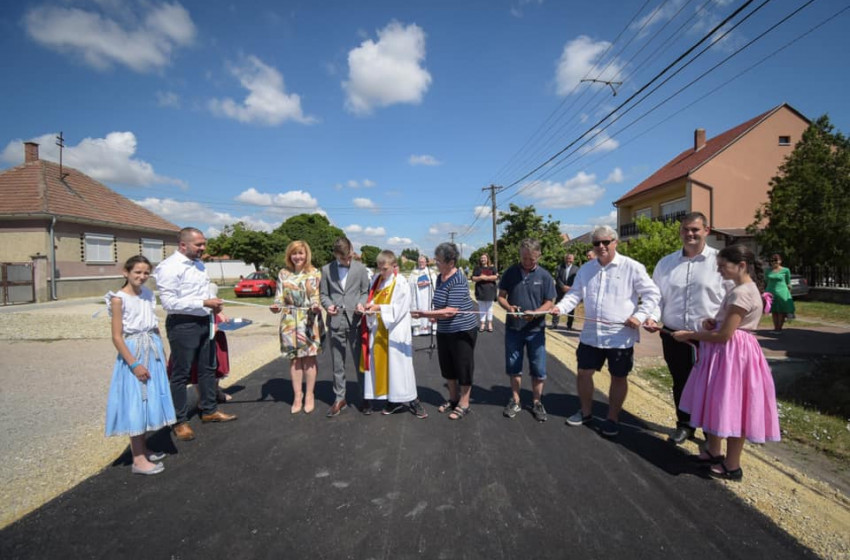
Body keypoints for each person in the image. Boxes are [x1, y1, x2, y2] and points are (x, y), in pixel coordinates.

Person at [672, 244, 780, 481]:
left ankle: (732, 466)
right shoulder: (742, 289)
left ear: (741, 265)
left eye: (722, 266)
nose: (719, 271)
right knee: (719, 402)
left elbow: (725, 336)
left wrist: (689, 334)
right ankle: (713, 450)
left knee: (732, 406)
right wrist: (714, 322)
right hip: (728, 354)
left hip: (732, 355)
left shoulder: (742, 292)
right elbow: (726, 326)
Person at [554, 225, 660, 437]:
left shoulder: (632, 267)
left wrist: (639, 316)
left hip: (620, 337)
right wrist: (559, 308)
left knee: (618, 377)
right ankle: (585, 412)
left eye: (606, 242)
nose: (601, 246)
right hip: (591, 334)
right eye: (597, 243)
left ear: (615, 242)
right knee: (584, 373)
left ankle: (612, 418)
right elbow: (574, 295)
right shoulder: (586, 269)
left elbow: (652, 295)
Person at [643, 212, 729, 445]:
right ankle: (685, 425)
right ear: (680, 231)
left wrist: (721, 322)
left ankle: (711, 432)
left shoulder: (721, 261)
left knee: (711, 386)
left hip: (708, 337)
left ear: (706, 231)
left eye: (695, 229)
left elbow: (731, 298)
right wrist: (652, 317)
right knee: (680, 381)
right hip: (673, 335)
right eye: (685, 229)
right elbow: (656, 297)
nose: (690, 234)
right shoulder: (666, 263)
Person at [154, 227, 236, 443]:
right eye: (199, 244)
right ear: (183, 245)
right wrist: (203, 303)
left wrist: (216, 307)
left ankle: (209, 410)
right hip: (183, 325)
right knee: (180, 374)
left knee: (207, 369)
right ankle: (179, 421)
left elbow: (205, 291)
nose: (203, 248)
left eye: (203, 244)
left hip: (204, 321)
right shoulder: (168, 267)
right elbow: (169, 303)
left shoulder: (199, 264)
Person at [105, 255, 176, 475]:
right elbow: (117, 337)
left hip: (152, 348)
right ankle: (137, 458)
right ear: (126, 272)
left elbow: (154, 328)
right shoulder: (118, 298)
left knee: (150, 399)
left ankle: (143, 447)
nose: (142, 276)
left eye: (146, 273)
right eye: (137, 272)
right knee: (137, 400)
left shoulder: (147, 294)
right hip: (134, 351)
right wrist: (134, 364)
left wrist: (162, 355)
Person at [411, 243, 478, 420]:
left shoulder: (459, 279)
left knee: (463, 366)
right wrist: (435, 316)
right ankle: (453, 399)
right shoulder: (441, 277)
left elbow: (450, 311)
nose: (436, 264)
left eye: (439, 261)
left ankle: (464, 403)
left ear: (451, 262)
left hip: (462, 330)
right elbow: (441, 306)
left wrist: (425, 314)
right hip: (445, 330)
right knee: (447, 366)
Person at [360, 250, 427, 418]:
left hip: (395, 330)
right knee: (384, 368)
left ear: (393, 266)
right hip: (378, 329)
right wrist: (368, 308)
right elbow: (372, 300)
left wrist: (378, 308)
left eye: (385, 269)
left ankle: (413, 399)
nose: (381, 272)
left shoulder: (400, 283)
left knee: (400, 368)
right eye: (379, 268)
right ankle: (392, 400)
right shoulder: (376, 280)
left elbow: (400, 309)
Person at [498, 238, 556, 422]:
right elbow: (501, 297)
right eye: (524, 258)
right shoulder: (510, 272)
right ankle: (515, 400)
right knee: (514, 365)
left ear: (538, 255)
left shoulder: (545, 276)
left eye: (531, 258)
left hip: (535, 330)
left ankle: (537, 402)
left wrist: (537, 313)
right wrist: (509, 308)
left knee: (538, 367)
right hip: (514, 328)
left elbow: (549, 301)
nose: (527, 262)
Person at [270, 241, 324, 414]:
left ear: (306, 254)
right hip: (289, 321)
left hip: (309, 319)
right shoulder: (283, 273)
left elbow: (316, 295)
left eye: (301, 253)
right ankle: (297, 396)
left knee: (309, 359)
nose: (298, 257)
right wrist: (276, 305)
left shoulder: (315, 272)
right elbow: (279, 296)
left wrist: (316, 305)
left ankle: (309, 395)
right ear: (289, 255)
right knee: (295, 359)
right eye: (294, 253)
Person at [320, 237, 371, 416]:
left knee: (360, 362)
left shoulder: (361, 268)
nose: (347, 261)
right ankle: (339, 398)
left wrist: (361, 304)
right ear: (335, 255)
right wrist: (328, 306)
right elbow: (324, 294)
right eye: (343, 259)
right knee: (337, 363)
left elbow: (365, 291)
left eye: (349, 257)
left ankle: (365, 396)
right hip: (335, 322)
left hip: (355, 321)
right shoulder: (326, 270)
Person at [765, 253, 795, 333]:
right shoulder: (768, 271)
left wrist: (789, 294)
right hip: (771, 293)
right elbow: (766, 281)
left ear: (780, 261)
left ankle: (779, 328)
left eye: (776, 260)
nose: (774, 262)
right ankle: (775, 328)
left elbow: (788, 283)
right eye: (772, 260)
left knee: (781, 311)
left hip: (782, 293)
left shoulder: (786, 270)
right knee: (774, 311)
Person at [408, 255, 437, 336]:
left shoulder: (431, 272)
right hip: (417, 296)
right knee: (417, 308)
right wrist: (417, 284)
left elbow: (435, 282)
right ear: (418, 262)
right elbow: (410, 283)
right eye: (420, 262)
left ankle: (431, 327)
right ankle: (417, 328)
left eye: (423, 262)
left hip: (428, 295)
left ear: (426, 262)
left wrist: (429, 283)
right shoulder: (414, 273)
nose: (421, 263)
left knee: (430, 309)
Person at [471, 253, 498, 333]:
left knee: (489, 308)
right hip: (480, 290)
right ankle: (482, 323)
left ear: (487, 259)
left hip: (490, 290)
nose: (483, 259)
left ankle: (490, 324)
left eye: (484, 258)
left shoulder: (492, 268)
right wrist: (480, 277)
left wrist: (486, 278)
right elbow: (473, 278)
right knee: (482, 308)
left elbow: (496, 277)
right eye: (481, 258)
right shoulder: (477, 268)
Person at [552, 253, 578, 330]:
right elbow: (557, 278)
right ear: (565, 259)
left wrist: (570, 288)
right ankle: (554, 324)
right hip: (560, 290)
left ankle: (569, 325)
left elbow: (577, 280)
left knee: (571, 308)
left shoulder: (577, 269)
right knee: (557, 306)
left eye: (570, 258)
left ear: (573, 259)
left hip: (571, 291)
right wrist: (563, 286)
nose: (569, 260)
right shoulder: (559, 267)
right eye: (568, 258)